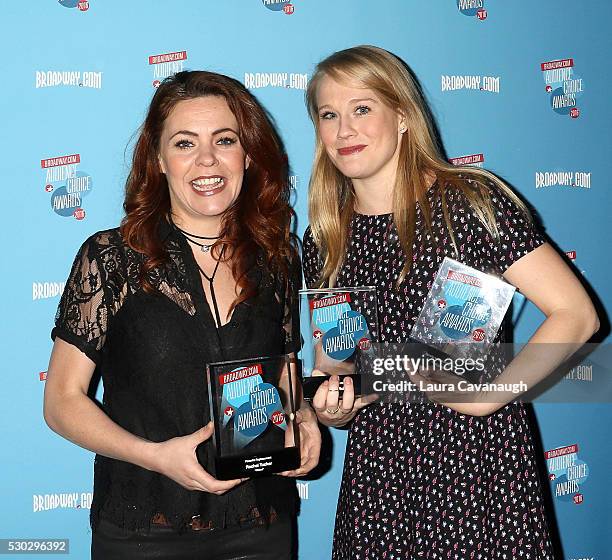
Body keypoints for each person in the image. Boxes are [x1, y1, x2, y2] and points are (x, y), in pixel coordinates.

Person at [302, 45, 599, 559]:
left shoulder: (470, 202)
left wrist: (489, 395)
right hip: (381, 475)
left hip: (478, 462)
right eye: (329, 114)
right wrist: (336, 407)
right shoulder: (325, 236)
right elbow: (340, 364)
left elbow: (577, 314)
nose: (344, 129)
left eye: (362, 108)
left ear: (401, 116)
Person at [43, 70, 321, 560]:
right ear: (159, 159)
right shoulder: (110, 258)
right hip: (144, 528)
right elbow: (62, 402)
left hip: (261, 522)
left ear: (248, 154)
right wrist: (154, 456)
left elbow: (283, 372)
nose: (207, 159)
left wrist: (303, 418)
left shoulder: (277, 256)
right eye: (185, 143)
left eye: (225, 140)